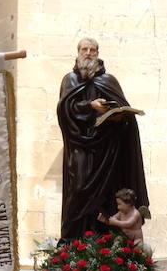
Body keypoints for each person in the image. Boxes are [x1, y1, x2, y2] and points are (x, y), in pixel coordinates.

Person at [57, 37, 150, 241]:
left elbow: (123, 111)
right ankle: (74, 241)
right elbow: (65, 110)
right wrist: (90, 105)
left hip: (107, 149)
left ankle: (104, 240)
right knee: (79, 189)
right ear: (78, 52)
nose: (88, 53)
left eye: (92, 50)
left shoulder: (108, 81)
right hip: (80, 147)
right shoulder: (70, 80)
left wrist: (117, 116)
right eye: (84, 49)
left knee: (108, 194)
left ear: (97, 53)